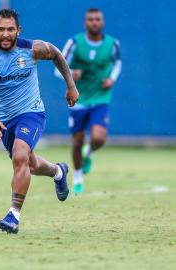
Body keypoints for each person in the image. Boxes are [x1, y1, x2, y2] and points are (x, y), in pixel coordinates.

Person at [0, 9, 79, 234]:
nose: (5, 34)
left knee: (20, 156)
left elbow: (57, 54)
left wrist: (70, 85)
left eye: (10, 29)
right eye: (1, 29)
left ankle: (13, 216)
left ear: (18, 30)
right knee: (29, 165)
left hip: (31, 113)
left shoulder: (33, 49)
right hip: (4, 121)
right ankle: (58, 172)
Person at [55, 8, 121, 194]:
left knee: (99, 138)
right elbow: (56, 66)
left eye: (97, 19)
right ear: (85, 23)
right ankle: (77, 178)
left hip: (100, 97)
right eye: (90, 19)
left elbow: (118, 63)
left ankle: (89, 153)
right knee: (76, 142)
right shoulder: (74, 43)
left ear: (102, 22)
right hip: (79, 99)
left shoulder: (112, 44)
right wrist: (70, 75)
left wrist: (112, 79)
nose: (94, 22)